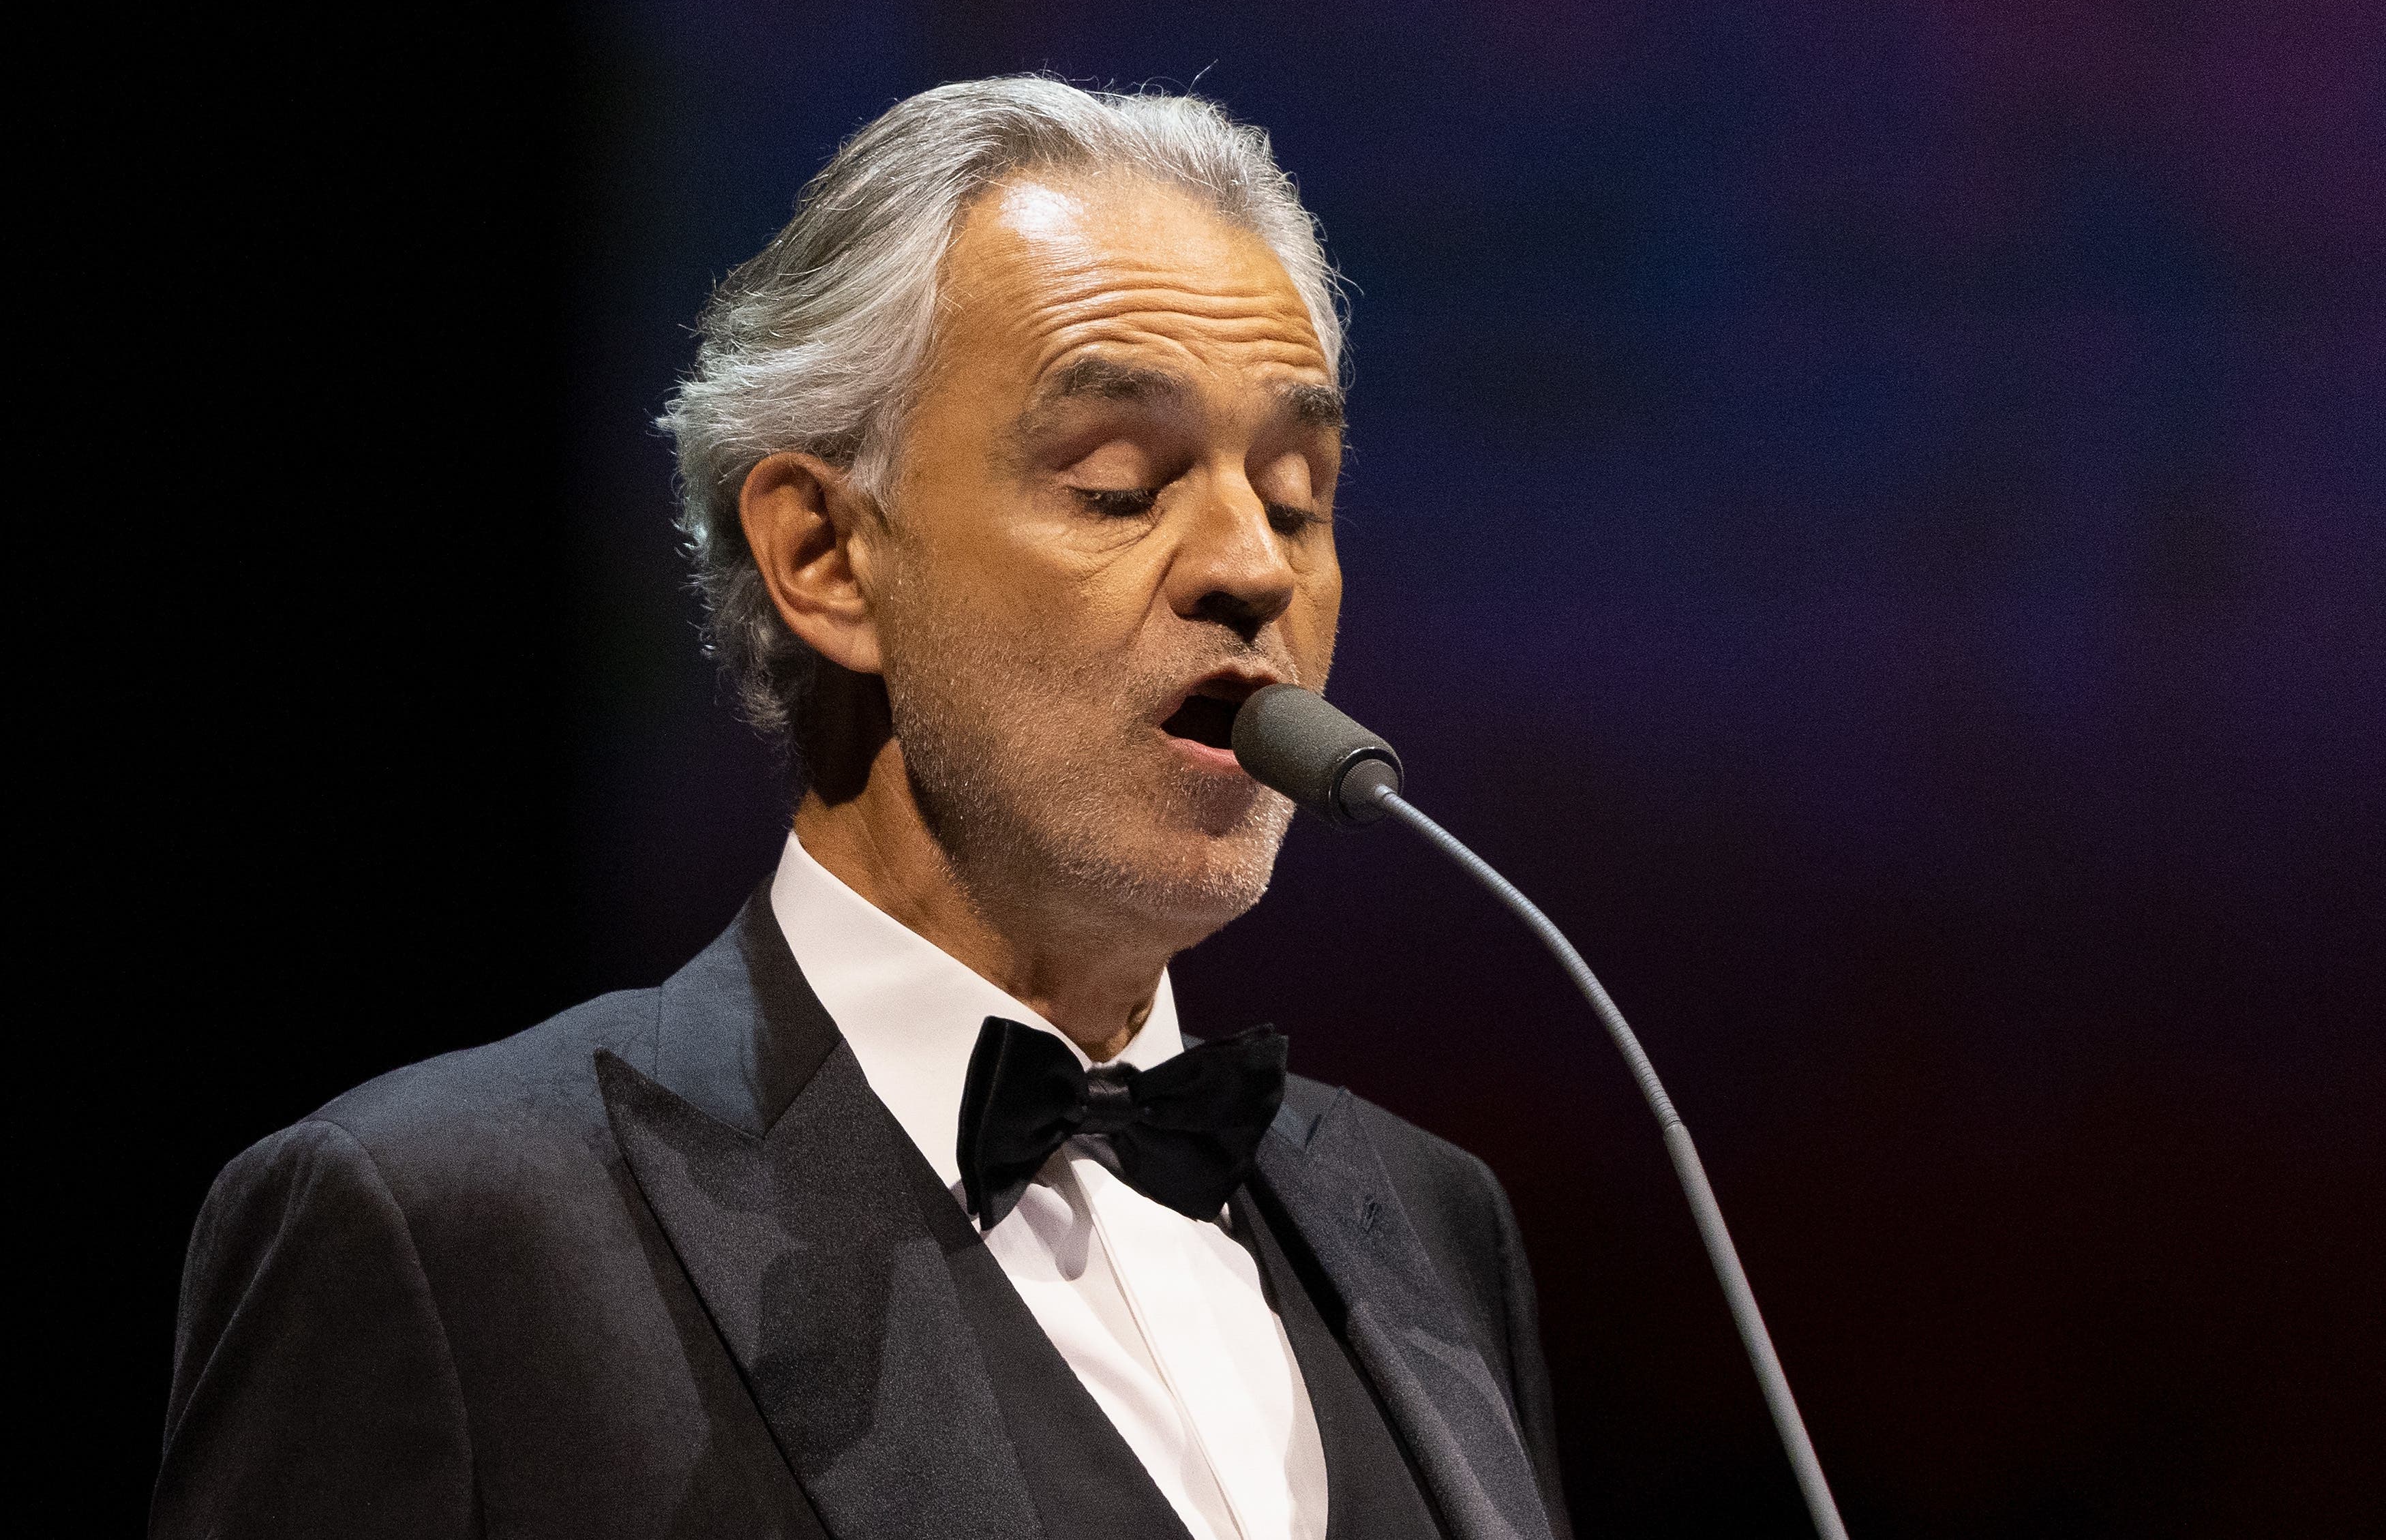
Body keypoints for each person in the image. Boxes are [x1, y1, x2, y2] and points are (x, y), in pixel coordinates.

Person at [155, 76, 1573, 1540]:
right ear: (825, 555)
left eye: (1293, 496)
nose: (1252, 569)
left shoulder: (1425, 1223)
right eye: (1115, 484)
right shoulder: (450, 1231)